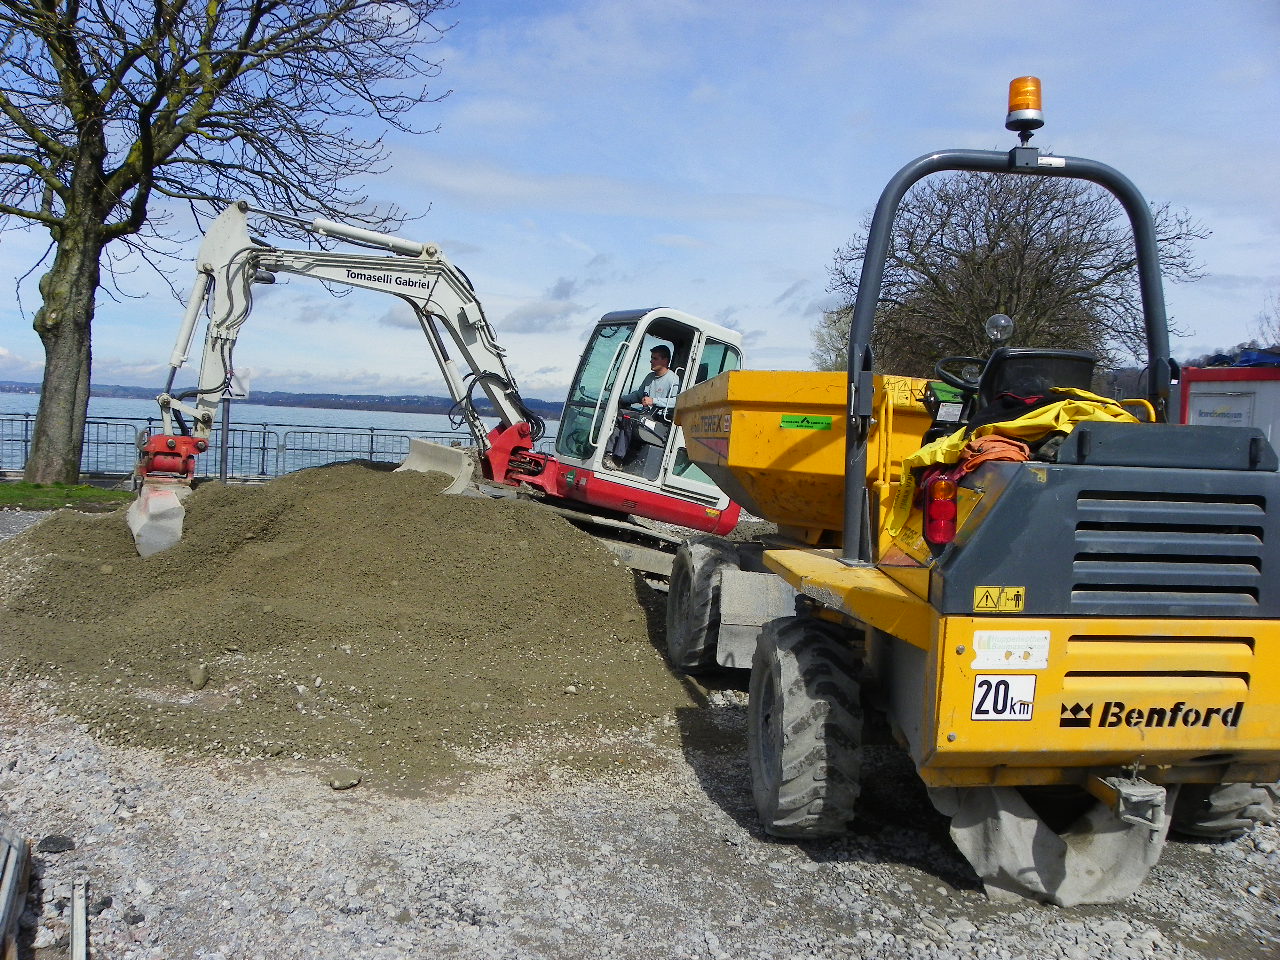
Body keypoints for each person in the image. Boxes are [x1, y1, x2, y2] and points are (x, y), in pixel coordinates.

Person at [603, 345, 679, 470]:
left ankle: (618, 460)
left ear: (665, 361)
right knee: (621, 415)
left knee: (631, 419)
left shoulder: (673, 379)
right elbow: (639, 395)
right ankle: (609, 453)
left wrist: (654, 401)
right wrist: (621, 400)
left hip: (660, 423)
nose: (651, 361)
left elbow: (676, 402)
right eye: (651, 358)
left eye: (655, 358)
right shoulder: (650, 377)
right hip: (646, 416)